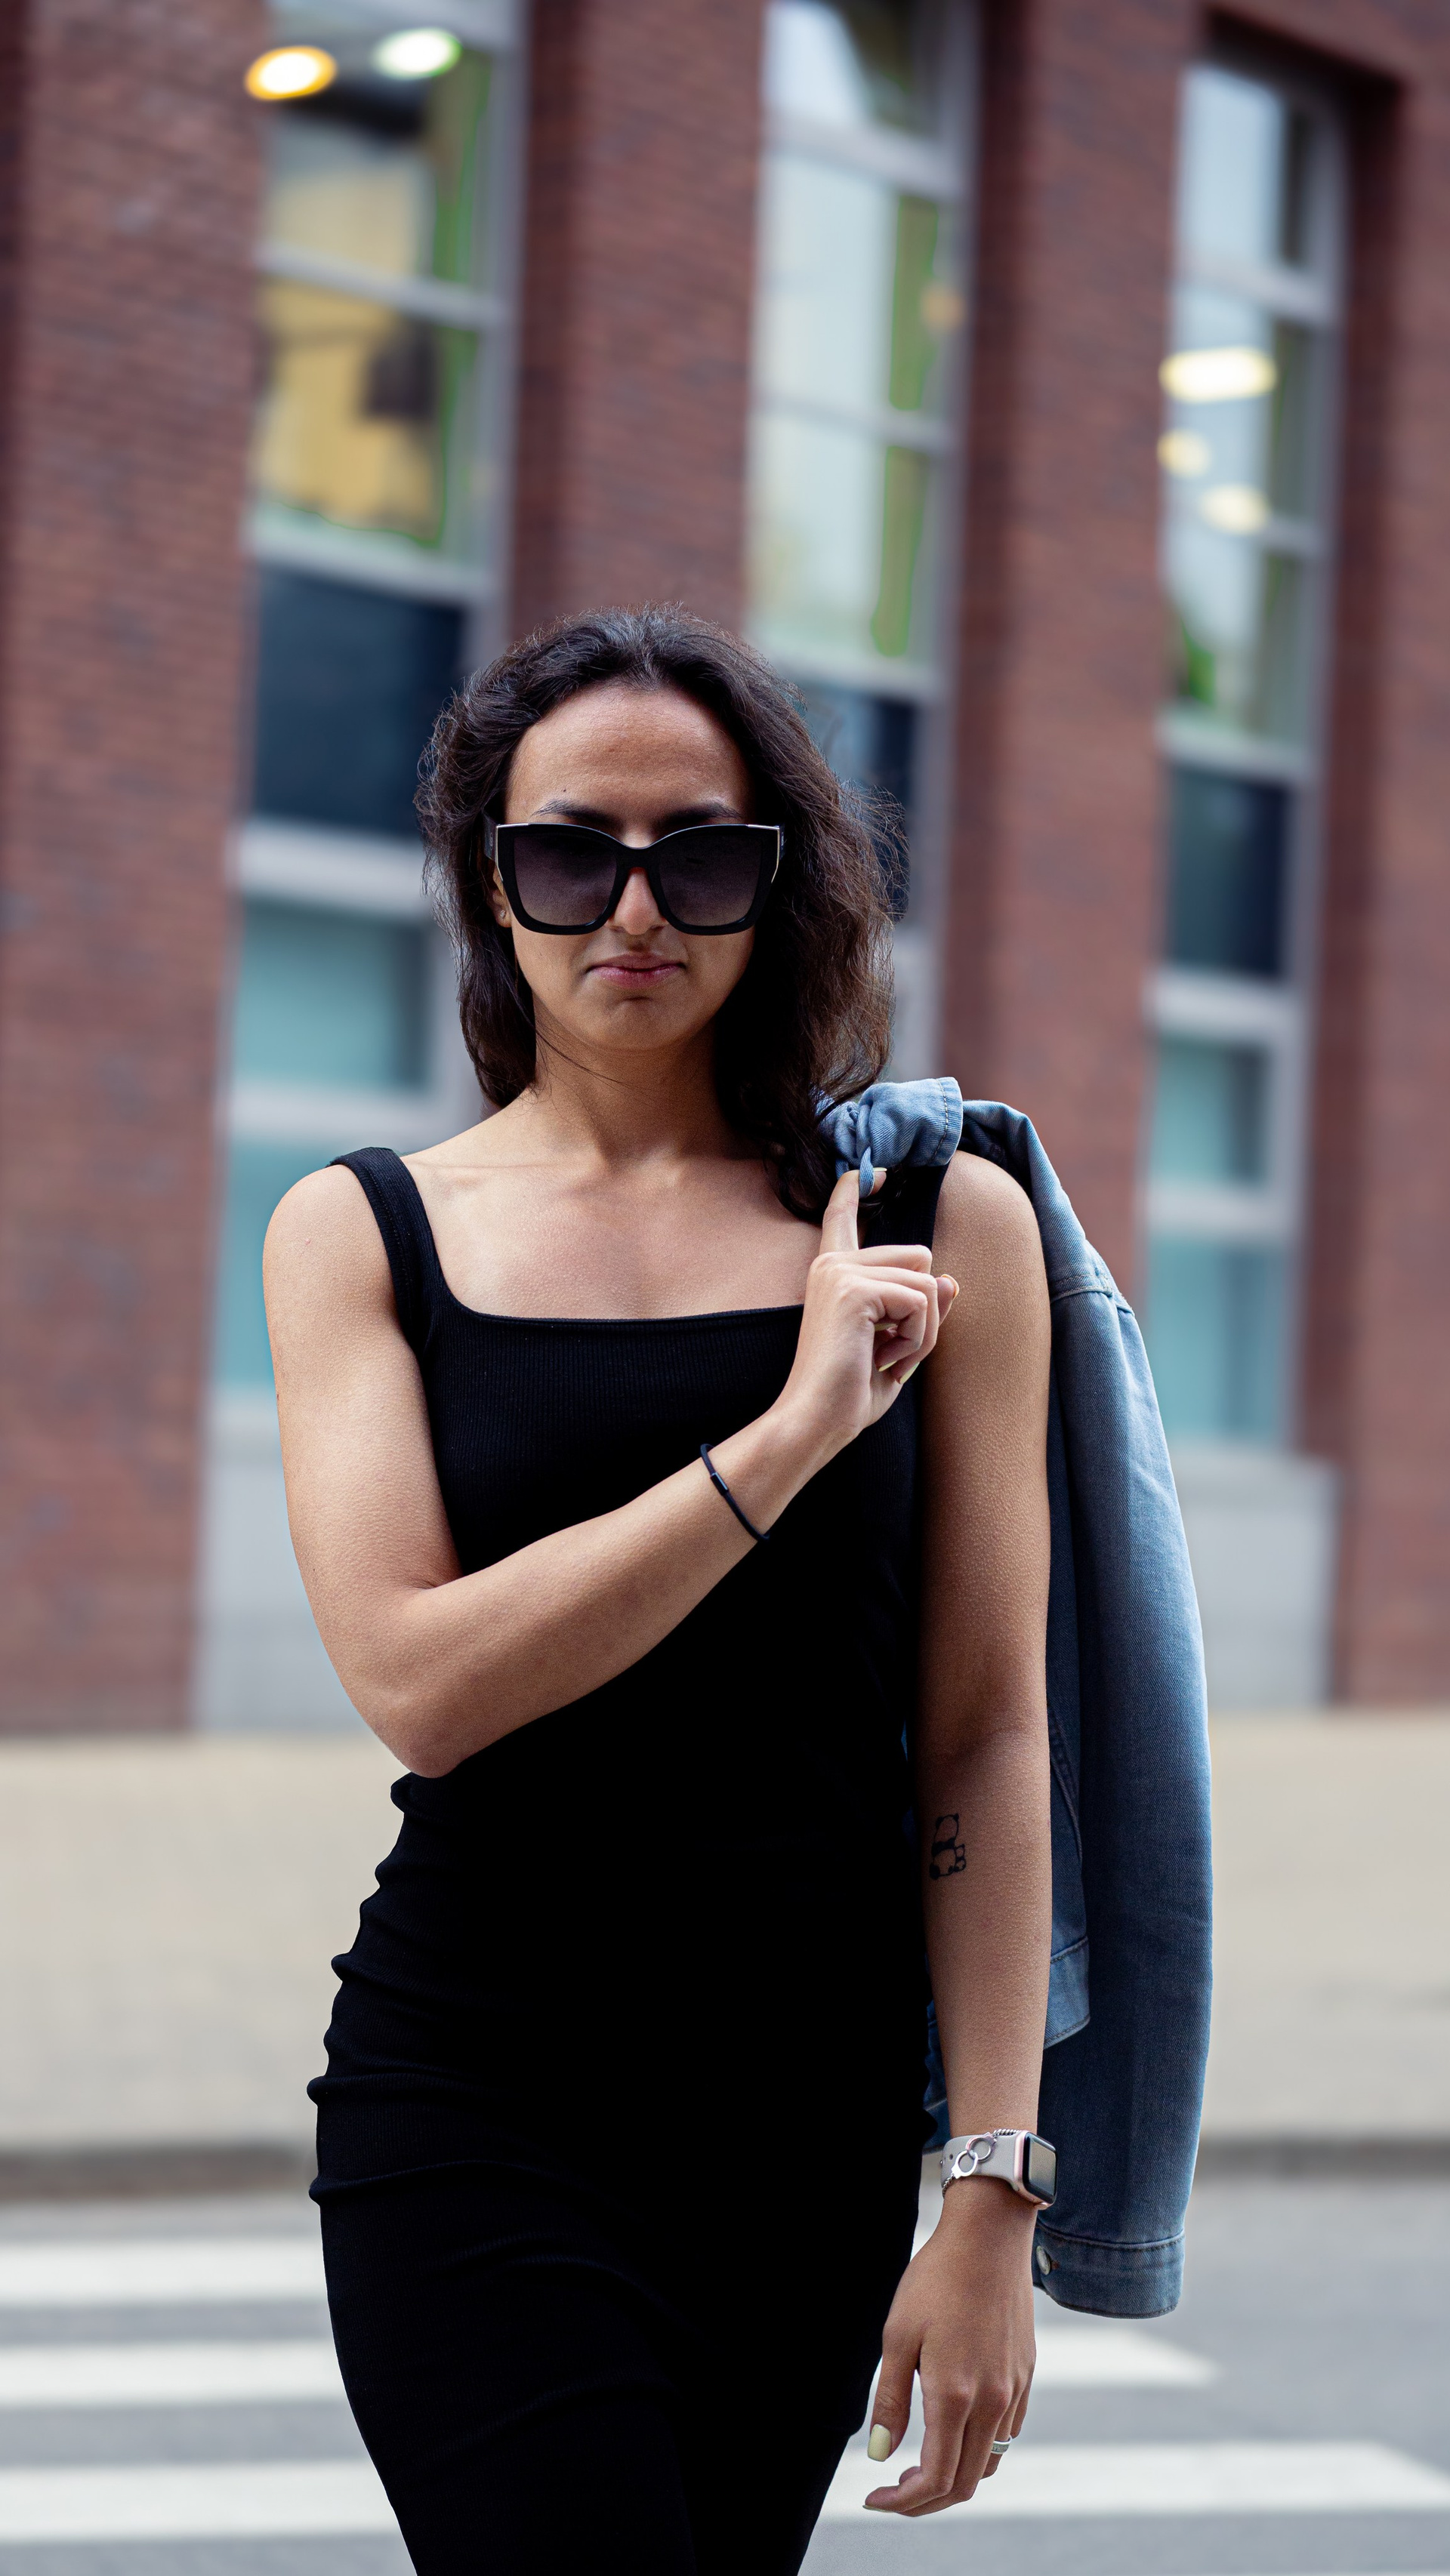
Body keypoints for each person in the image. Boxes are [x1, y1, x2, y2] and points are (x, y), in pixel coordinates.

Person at [264, 606, 1054, 2575]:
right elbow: (422, 1682)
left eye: (699, 854)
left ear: (778, 886)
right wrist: (789, 1437)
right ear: (491, 885)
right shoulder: (363, 1231)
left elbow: (985, 1729)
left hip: (802, 2123)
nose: (632, 907)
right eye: (568, 854)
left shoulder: (940, 1223)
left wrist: (989, 2190)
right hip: (481, 2086)